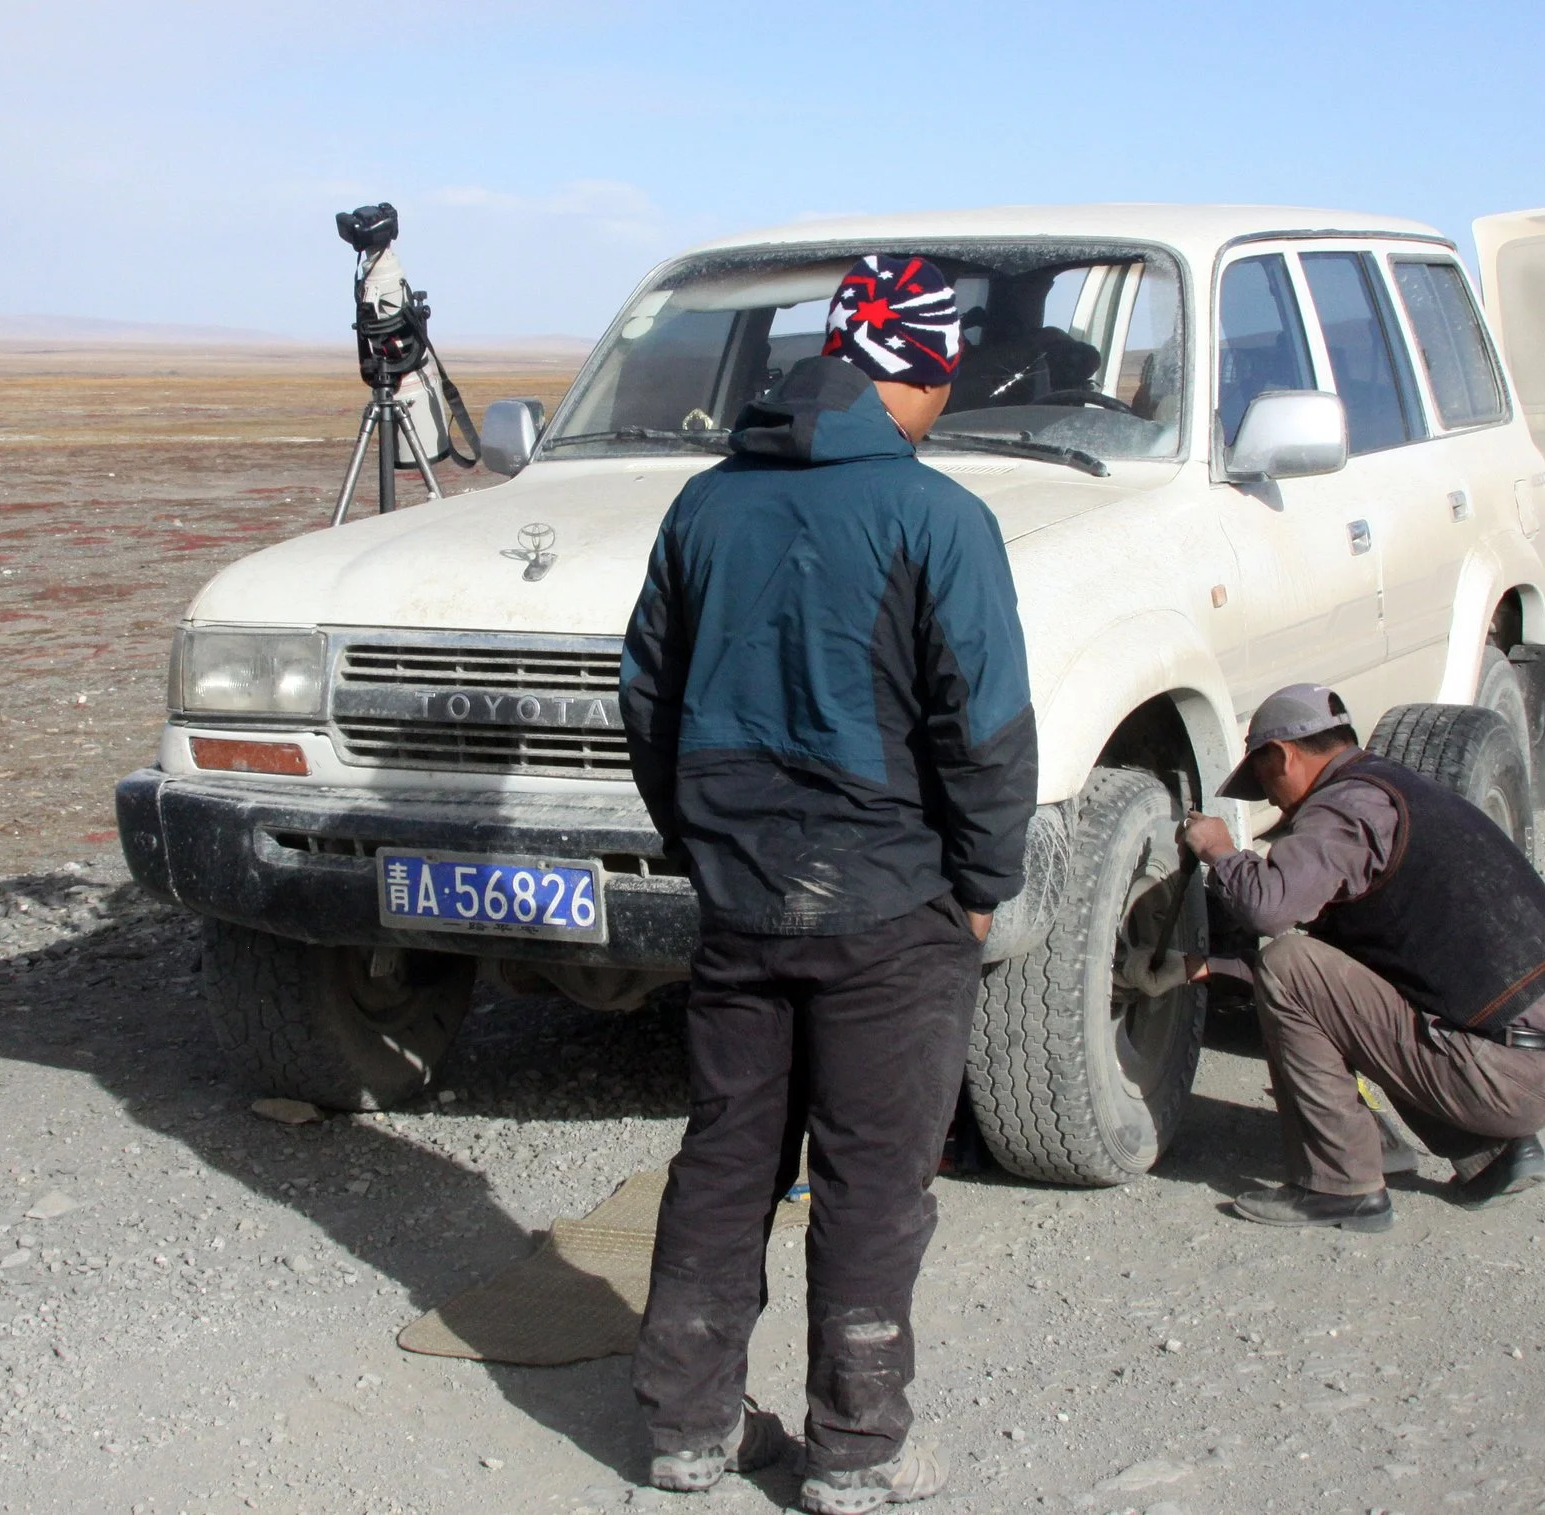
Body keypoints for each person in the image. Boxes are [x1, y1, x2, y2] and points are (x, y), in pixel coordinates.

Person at [620, 254, 1036, 1512]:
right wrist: (983, 879)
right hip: (893, 903)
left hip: (741, 898)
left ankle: (687, 1433)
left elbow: (646, 699)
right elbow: (985, 725)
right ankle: (856, 1451)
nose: (944, 404)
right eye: (945, 378)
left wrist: (704, 845)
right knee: (871, 1179)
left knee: (726, 1157)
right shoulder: (936, 515)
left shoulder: (704, 505)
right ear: (920, 372)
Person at [1147, 682, 1545, 1231]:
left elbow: (1268, 911)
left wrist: (1220, 850)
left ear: (1283, 756)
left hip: (1510, 1077)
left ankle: (1340, 1186)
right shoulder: (1398, 792)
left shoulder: (1346, 808)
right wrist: (1197, 969)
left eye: (1264, 780)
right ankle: (1495, 1154)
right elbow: (1349, 991)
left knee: (1287, 964)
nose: (1272, 801)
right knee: (1346, 987)